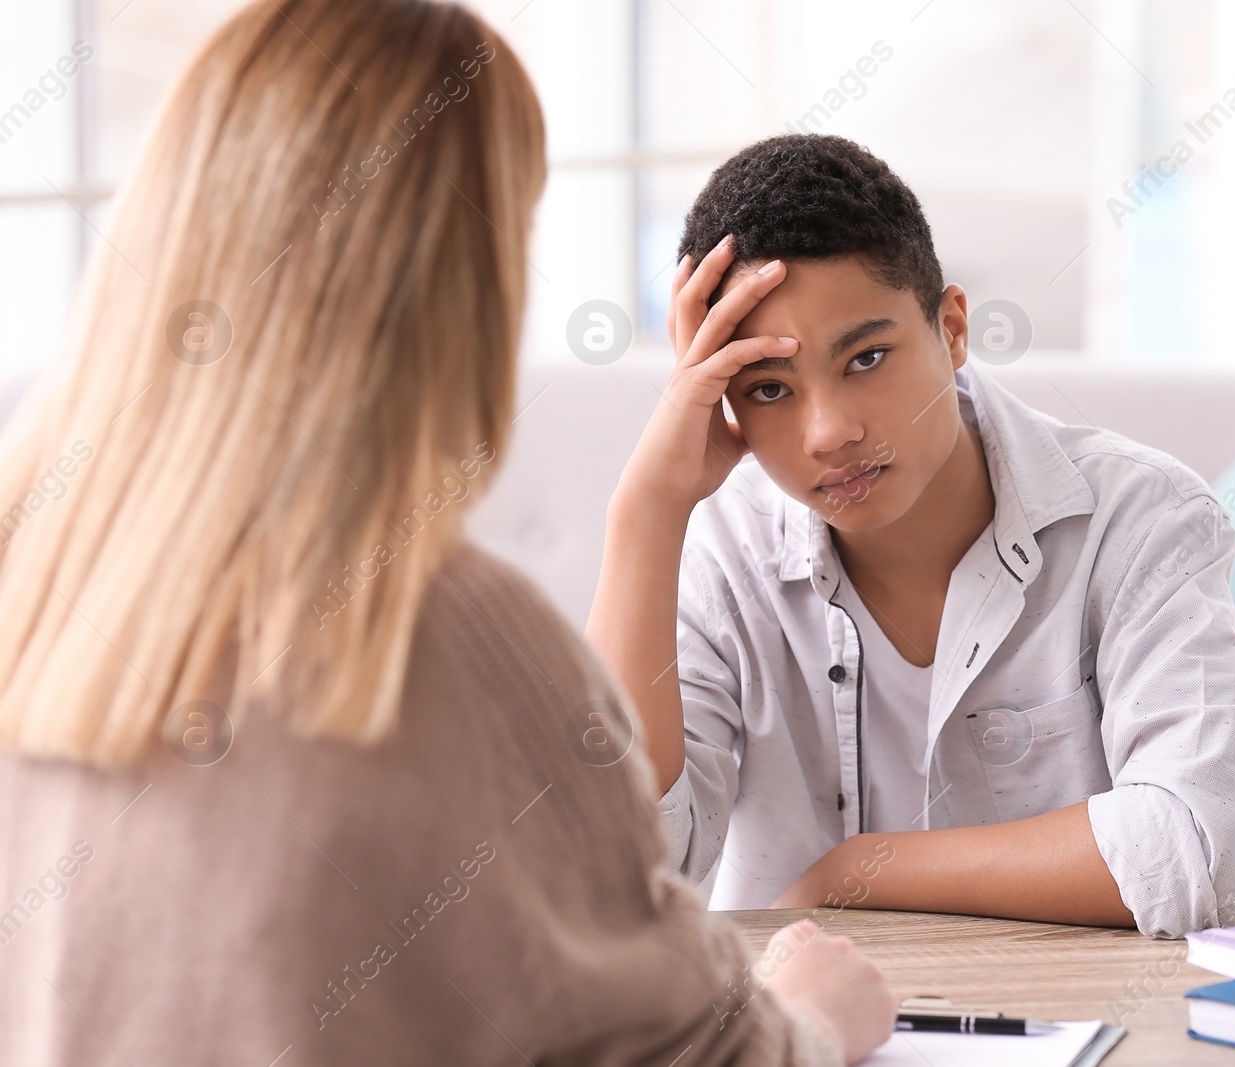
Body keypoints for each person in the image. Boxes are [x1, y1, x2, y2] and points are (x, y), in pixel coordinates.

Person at [0, 4, 893, 1064]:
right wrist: (814, 1013)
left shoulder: (37, 577)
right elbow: (696, 1047)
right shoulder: (433, 631)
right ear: (467, 282)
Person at [586, 134, 1235, 939]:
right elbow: (608, 873)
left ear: (951, 328)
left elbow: (1217, 856)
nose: (829, 432)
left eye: (867, 357)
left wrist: (858, 873)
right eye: (768, 389)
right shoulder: (722, 550)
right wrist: (644, 511)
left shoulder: (1139, 520)